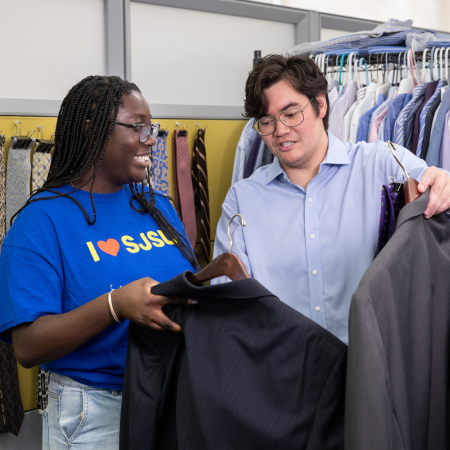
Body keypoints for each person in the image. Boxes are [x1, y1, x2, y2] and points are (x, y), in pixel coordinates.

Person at [0, 76, 198, 449]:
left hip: (174, 396)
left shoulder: (158, 208)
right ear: (92, 131)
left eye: (150, 127)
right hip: (96, 411)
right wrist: (116, 305)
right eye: (136, 126)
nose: (150, 138)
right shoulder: (40, 223)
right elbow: (27, 347)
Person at [212, 54, 450, 344]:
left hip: (372, 368)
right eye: (266, 120)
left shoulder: (386, 165)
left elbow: (439, 213)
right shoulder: (242, 200)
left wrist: (444, 185)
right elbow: (227, 303)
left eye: (290, 113)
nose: (280, 131)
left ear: (321, 105)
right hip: (282, 376)